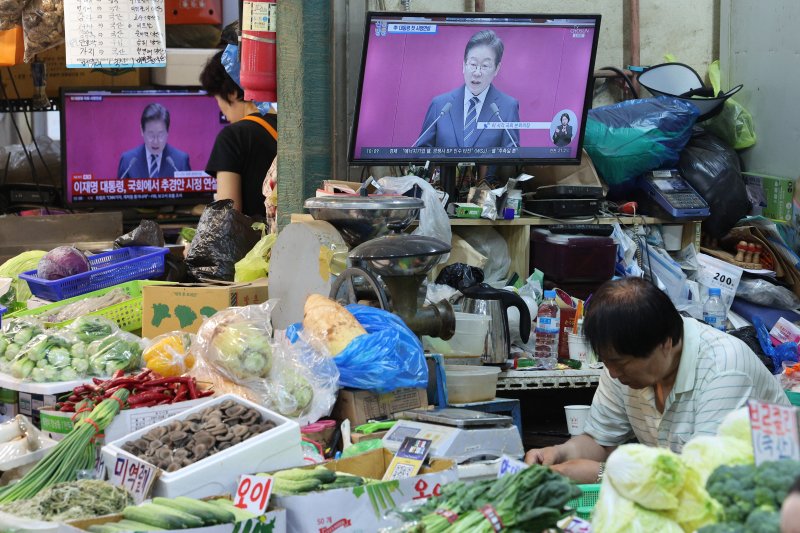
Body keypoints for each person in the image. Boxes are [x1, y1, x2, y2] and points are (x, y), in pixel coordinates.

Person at [524, 277, 789, 484]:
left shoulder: (724, 368)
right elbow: (600, 442)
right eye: (607, 362)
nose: (613, 374)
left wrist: (605, 473)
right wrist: (559, 455)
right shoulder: (621, 364)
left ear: (665, 343)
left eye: (621, 363)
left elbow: (700, 480)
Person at [200, 49, 277, 221]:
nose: (221, 110)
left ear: (231, 93)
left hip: (256, 246)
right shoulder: (289, 129)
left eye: (217, 99)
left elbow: (226, 218)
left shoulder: (232, 137)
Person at [416, 29, 519, 149]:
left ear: (496, 69)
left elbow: (512, 157)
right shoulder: (439, 105)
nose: (477, 72)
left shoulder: (508, 107)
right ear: (464, 65)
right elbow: (421, 153)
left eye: (485, 66)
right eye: (473, 64)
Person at [117, 103, 191, 179]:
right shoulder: (128, 161)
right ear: (142, 130)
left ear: (167, 131)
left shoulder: (181, 161)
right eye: (151, 135)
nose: (156, 141)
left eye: (160, 135)